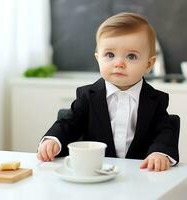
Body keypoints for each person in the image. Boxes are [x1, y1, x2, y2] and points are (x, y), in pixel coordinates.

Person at [37, 12, 179, 172]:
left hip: (140, 176)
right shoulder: (87, 96)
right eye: (110, 55)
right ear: (98, 58)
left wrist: (160, 153)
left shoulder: (156, 99)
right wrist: (53, 140)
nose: (119, 63)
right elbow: (68, 124)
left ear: (148, 64)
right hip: (95, 173)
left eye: (131, 56)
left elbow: (165, 132)